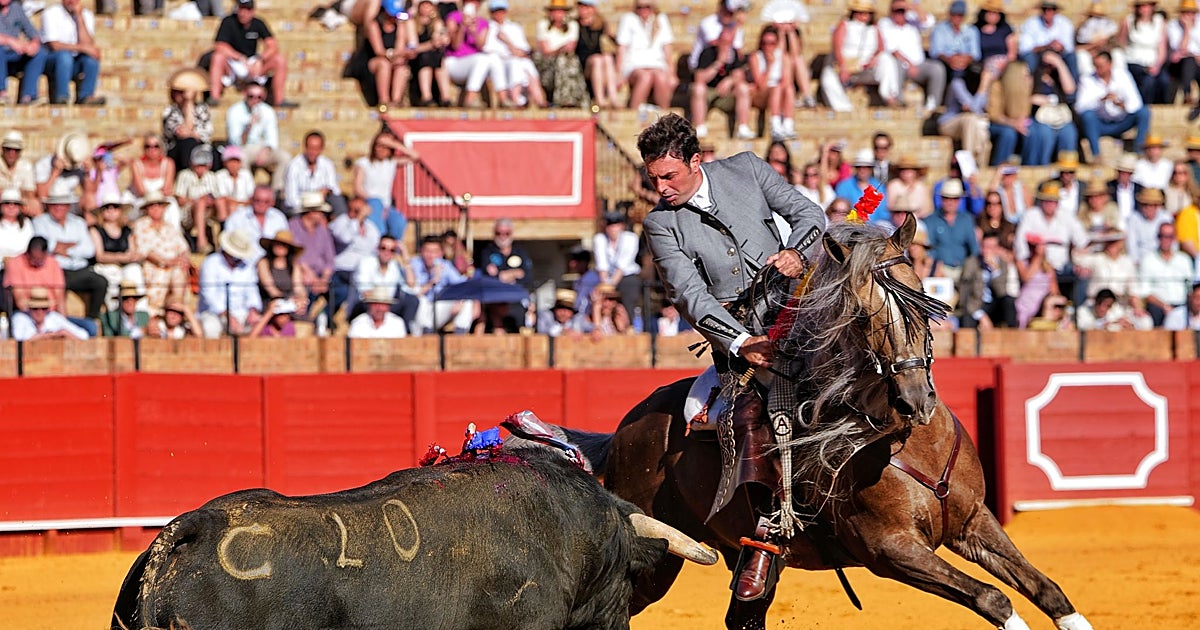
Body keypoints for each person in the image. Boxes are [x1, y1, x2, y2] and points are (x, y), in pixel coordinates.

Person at [637, 112, 824, 603]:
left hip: (799, 315)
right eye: (653, 178)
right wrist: (742, 343)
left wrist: (798, 254)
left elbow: (812, 217)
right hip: (742, 347)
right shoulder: (661, 223)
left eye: (669, 175)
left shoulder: (747, 169)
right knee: (752, 413)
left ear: (696, 162)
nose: (661, 187)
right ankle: (764, 538)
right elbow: (689, 295)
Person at [32, 192, 107, 320]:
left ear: (68, 206)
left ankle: (92, 319)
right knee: (57, 285)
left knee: (101, 282)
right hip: (56, 269)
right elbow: (42, 246)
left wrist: (63, 248)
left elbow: (89, 250)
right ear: (48, 206)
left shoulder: (78, 222)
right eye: (54, 204)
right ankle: (58, 321)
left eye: (62, 205)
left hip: (79, 269)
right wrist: (72, 245)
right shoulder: (39, 222)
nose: (58, 208)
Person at [206, 0, 294, 108]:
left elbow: (272, 45)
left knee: (279, 59)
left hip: (253, 63)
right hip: (233, 64)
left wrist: (260, 59)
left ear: (252, 11)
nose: (244, 13)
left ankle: (279, 100)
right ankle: (214, 97)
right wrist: (240, 57)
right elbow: (220, 45)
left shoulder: (258, 23)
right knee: (217, 57)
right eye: (241, 9)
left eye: (247, 9)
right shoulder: (228, 21)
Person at [821, 0, 898, 112]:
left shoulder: (874, 28)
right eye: (859, 12)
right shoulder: (845, 25)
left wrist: (873, 58)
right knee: (828, 77)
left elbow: (881, 47)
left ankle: (889, 94)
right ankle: (843, 108)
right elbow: (837, 46)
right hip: (845, 66)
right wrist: (842, 66)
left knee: (887, 59)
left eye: (866, 13)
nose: (863, 16)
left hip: (866, 68)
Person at [1075, 51, 1151, 160]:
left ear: (1110, 64)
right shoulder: (1087, 80)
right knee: (1088, 116)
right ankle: (1096, 155)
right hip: (1100, 124)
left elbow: (1136, 102)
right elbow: (1080, 107)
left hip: (1122, 121)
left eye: (1101, 66)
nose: (1098, 69)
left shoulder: (1123, 76)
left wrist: (1121, 104)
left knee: (1144, 112)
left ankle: (1139, 150)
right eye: (1096, 66)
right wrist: (1100, 100)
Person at [345, 0, 414, 108]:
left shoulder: (399, 25)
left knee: (401, 66)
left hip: (390, 59)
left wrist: (398, 54)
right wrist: (394, 54)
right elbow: (379, 51)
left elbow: (400, 47)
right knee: (384, 64)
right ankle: (384, 100)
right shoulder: (374, 24)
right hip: (371, 62)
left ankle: (396, 101)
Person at [690, 24, 754, 141]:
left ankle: (743, 127)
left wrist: (729, 81)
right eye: (724, 42)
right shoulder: (708, 53)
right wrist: (718, 62)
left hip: (726, 94)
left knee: (743, 88)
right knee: (698, 88)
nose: (726, 46)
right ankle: (699, 127)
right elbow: (699, 78)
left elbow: (739, 75)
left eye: (729, 43)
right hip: (708, 92)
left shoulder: (734, 53)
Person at [879, 0, 945, 111]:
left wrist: (913, 7)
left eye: (902, 10)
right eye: (896, 10)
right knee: (894, 65)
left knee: (937, 68)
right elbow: (892, 50)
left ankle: (933, 104)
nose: (899, 14)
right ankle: (897, 101)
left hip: (919, 64)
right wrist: (909, 65)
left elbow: (929, 22)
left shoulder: (912, 21)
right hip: (899, 63)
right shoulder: (885, 23)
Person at [132, 190, 190, 316]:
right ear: (147, 209)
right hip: (154, 267)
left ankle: (177, 308)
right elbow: (145, 251)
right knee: (166, 275)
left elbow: (183, 248)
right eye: (152, 205)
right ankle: (157, 312)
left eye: (159, 205)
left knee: (179, 272)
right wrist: (168, 261)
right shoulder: (141, 225)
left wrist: (182, 259)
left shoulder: (170, 227)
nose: (156, 208)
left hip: (174, 267)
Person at [197, 228, 263, 337]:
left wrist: (253, 310)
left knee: (260, 325)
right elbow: (209, 295)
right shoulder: (211, 263)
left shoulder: (247, 266)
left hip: (242, 312)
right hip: (214, 313)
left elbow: (252, 291)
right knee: (210, 328)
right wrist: (228, 316)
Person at [444, 0, 509, 108]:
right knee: (482, 59)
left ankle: (503, 99)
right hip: (454, 62)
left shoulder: (483, 23)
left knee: (494, 57)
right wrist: (462, 27)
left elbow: (481, 46)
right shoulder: (453, 17)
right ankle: (470, 99)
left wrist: (473, 31)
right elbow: (455, 46)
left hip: (475, 63)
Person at [353, 133, 419, 241]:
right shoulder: (364, 163)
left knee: (399, 221)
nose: (381, 150)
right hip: (370, 202)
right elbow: (358, 188)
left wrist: (395, 144)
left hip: (387, 205)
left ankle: (394, 247)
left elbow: (415, 157)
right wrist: (375, 200)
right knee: (378, 221)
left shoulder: (390, 163)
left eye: (386, 147)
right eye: (379, 145)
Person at [40, 0, 106, 106]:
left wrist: (79, 17)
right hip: (52, 59)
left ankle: (86, 96)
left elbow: (88, 44)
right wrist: (82, 48)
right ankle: (62, 96)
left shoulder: (86, 15)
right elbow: (54, 45)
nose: (72, 1)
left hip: (74, 60)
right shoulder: (51, 13)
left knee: (91, 60)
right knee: (64, 56)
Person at [615, 0, 676, 111]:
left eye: (647, 7)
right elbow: (622, 48)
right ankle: (633, 112)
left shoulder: (661, 19)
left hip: (657, 64)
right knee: (645, 77)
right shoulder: (629, 19)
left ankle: (665, 114)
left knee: (661, 77)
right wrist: (619, 73)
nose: (643, 10)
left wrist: (672, 74)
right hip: (634, 64)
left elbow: (667, 49)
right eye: (640, 7)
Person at [485, 0, 547, 108]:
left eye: (501, 11)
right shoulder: (489, 28)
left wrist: (507, 42)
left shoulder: (514, 27)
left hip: (516, 59)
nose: (499, 14)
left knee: (525, 64)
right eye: (496, 11)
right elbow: (489, 50)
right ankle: (517, 98)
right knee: (516, 64)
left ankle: (538, 100)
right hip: (500, 63)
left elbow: (523, 51)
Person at [329, 196, 382, 319]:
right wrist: (357, 219)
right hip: (344, 270)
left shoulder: (371, 227)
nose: (357, 213)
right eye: (354, 210)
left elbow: (375, 248)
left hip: (365, 271)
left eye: (360, 210)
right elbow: (345, 238)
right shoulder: (342, 222)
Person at [89, 193, 144, 310]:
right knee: (112, 281)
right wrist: (120, 257)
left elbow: (133, 250)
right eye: (107, 207)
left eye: (115, 207)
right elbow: (100, 256)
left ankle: (139, 310)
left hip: (125, 266)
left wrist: (132, 256)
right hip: (105, 267)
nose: (111, 210)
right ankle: (114, 314)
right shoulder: (96, 230)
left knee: (135, 271)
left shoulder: (126, 230)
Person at [224, 84, 287, 186]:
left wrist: (266, 150)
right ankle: (248, 191)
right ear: (245, 94)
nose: (255, 100)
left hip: (263, 148)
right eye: (251, 96)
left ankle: (276, 191)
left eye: (259, 97)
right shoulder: (234, 111)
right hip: (244, 148)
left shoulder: (268, 111)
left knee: (284, 157)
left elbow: (272, 138)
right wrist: (249, 127)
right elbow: (236, 143)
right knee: (242, 158)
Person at [410, 234, 472, 334]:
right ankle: (425, 335)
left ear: (441, 253)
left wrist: (459, 299)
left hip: (439, 308)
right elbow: (414, 293)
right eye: (427, 251)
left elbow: (462, 285)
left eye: (434, 252)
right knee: (420, 301)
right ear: (421, 251)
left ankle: (460, 335)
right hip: (420, 310)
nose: (431, 255)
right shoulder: (414, 264)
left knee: (467, 301)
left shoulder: (445, 265)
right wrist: (433, 280)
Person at [1135, 221, 1194, 326]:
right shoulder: (1148, 260)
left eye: (1169, 236)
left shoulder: (1184, 260)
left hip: (1181, 306)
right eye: (1162, 236)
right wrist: (1164, 306)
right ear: (1158, 237)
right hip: (1158, 307)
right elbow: (1145, 291)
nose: (1165, 240)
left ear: (1174, 238)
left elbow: (1190, 288)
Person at [287, 191, 336, 316]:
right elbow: (296, 256)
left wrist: (324, 279)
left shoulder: (323, 230)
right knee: (305, 289)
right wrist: (313, 278)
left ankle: (321, 318)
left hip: (320, 276)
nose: (322, 214)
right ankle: (307, 319)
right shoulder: (293, 227)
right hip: (302, 274)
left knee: (341, 290)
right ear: (311, 212)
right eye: (320, 211)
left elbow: (330, 259)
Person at [533, 0, 587, 108]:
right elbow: (546, 50)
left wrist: (560, 50)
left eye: (561, 11)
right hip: (547, 62)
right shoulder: (543, 25)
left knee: (570, 62)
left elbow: (571, 48)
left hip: (567, 61)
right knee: (561, 61)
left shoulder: (572, 25)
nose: (558, 14)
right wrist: (560, 49)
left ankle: (572, 99)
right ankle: (562, 99)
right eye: (555, 11)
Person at [958, 232, 1017, 328]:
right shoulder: (971, 263)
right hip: (976, 305)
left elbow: (1001, 292)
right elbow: (964, 294)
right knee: (967, 318)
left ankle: (1012, 333)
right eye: (984, 247)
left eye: (991, 247)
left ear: (997, 249)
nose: (987, 251)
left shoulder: (1002, 264)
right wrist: (980, 314)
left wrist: (995, 271)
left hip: (994, 305)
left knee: (1008, 302)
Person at [925, 179, 979, 283]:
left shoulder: (966, 219)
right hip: (940, 269)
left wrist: (970, 267)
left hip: (963, 269)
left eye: (954, 199)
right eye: (946, 198)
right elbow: (929, 249)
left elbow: (973, 247)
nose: (950, 202)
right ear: (941, 199)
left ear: (959, 200)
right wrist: (935, 267)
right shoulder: (931, 220)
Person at [747, 25, 795, 142]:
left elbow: (787, 80)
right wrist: (769, 65)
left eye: (772, 43)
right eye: (765, 43)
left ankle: (788, 124)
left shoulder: (783, 57)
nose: (768, 47)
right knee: (776, 88)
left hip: (778, 92)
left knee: (788, 89)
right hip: (761, 94)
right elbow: (760, 84)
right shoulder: (756, 57)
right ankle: (775, 124)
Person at [282, 130, 346, 216]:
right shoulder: (294, 166)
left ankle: (344, 224)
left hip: (321, 205)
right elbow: (291, 198)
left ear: (321, 149)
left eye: (316, 149)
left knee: (337, 200)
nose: (312, 152)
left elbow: (335, 190)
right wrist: (310, 206)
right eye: (310, 148)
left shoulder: (327, 164)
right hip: (299, 207)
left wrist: (327, 191)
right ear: (305, 147)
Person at [1119, 0, 1169, 106]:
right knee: (1148, 80)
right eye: (1141, 6)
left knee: (1164, 81)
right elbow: (1120, 44)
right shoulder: (1128, 21)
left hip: (1154, 61)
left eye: (1146, 6)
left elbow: (1162, 48)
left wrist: (1157, 65)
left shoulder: (1159, 22)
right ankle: (1144, 106)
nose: (1144, 9)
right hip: (1134, 61)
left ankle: (1161, 106)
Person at [162, 68, 214, 171]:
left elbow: (206, 134)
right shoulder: (169, 111)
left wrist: (192, 134)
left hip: (200, 149)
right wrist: (188, 102)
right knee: (188, 143)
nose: (183, 95)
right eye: (179, 92)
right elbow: (181, 133)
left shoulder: (202, 109)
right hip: (177, 150)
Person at [174, 146, 222, 253]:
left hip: (208, 210)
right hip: (188, 212)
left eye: (203, 166)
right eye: (198, 165)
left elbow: (216, 196)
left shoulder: (212, 176)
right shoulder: (184, 175)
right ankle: (202, 241)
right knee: (200, 203)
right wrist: (197, 200)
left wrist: (208, 201)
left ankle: (223, 235)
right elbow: (181, 200)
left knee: (220, 202)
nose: (200, 169)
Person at [224, 183, 289, 262]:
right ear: (251, 199)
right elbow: (228, 243)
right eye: (257, 200)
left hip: (270, 264)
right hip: (244, 264)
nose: (261, 204)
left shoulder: (279, 218)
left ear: (272, 202)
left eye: (266, 201)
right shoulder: (237, 218)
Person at [0, 0, 48, 106]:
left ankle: (28, 96)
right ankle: (1, 93)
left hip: (13, 55)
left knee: (40, 52)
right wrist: (9, 41)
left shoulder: (16, 8)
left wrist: (33, 44)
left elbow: (32, 31)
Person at [575, 0, 621, 109]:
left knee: (606, 58)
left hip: (601, 64)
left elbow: (615, 42)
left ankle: (613, 98)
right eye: (581, 7)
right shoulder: (575, 24)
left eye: (587, 7)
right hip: (583, 64)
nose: (583, 10)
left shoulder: (601, 24)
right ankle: (600, 100)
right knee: (597, 59)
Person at [127, 133, 178, 226]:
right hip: (140, 198)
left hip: (161, 199)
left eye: (155, 146)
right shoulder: (136, 164)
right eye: (148, 146)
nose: (152, 149)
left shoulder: (168, 163)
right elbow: (141, 191)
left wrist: (156, 202)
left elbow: (167, 188)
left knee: (171, 207)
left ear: (161, 148)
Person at [1017, 0, 1078, 79]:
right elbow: (1025, 49)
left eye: (1051, 9)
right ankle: (1033, 88)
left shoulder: (1065, 23)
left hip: (1058, 54)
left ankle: (1073, 89)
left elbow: (1069, 48)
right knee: (1030, 59)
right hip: (1038, 54)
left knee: (1071, 58)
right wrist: (1047, 46)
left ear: (1055, 11)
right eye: (1045, 9)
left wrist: (1060, 47)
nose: (1048, 12)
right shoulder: (1030, 23)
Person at [410, 0, 452, 107]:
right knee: (426, 60)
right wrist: (431, 44)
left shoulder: (437, 23)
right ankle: (426, 97)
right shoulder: (412, 23)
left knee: (439, 61)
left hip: (433, 56)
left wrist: (441, 40)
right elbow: (413, 48)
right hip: (417, 57)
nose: (426, 9)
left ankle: (445, 97)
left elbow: (442, 39)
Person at [256, 230, 308, 315]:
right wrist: (288, 300)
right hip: (272, 303)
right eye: (277, 244)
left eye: (283, 245)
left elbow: (298, 287)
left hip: (291, 303)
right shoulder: (263, 263)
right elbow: (270, 288)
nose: (279, 247)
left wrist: (301, 299)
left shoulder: (294, 265)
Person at [10, 285, 89, 340]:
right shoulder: (20, 318)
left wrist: (66, 334)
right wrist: (50, 336)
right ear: (29, 308)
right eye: (35, 308)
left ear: (48, 309)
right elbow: (19, 339)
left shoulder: (54, 317)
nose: (39, 312)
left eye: (44, 308)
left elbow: (84, 336)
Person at [834, 149, 889, 223]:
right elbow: (840, 211)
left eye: (866, 167)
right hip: (850, 225)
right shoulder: (843, 186)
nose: (863, 170)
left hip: (876, 227)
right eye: (859, 167)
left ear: (871, 169)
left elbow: (884, 214)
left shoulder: (878, 186)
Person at [885, 154, 932, 219]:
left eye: (910, 170)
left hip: (918, 220)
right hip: (896, 221)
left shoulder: (922, 187)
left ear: (916, 171)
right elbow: (889, 207)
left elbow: (927, 210)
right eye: (903, 169)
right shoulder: (893, 185)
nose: (906, 173)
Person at [0, 131, 37, 215]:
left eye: (16, 150)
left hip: (18, 203)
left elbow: (30, 193)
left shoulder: (26, 166)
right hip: (2, 203)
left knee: (35, 205)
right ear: (2, 149)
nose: (11, 153)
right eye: (8, 149)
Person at [215, 145, 255, 221]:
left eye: (236, 161)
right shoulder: (220, 175)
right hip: (229, 206)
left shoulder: (246, 175)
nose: (233, 165)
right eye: (230, 161)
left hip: (245, 205)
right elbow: (223, 196)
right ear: (225, 163)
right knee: (224, 203)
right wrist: (238, 203)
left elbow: (251, 194)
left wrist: (242, 203)